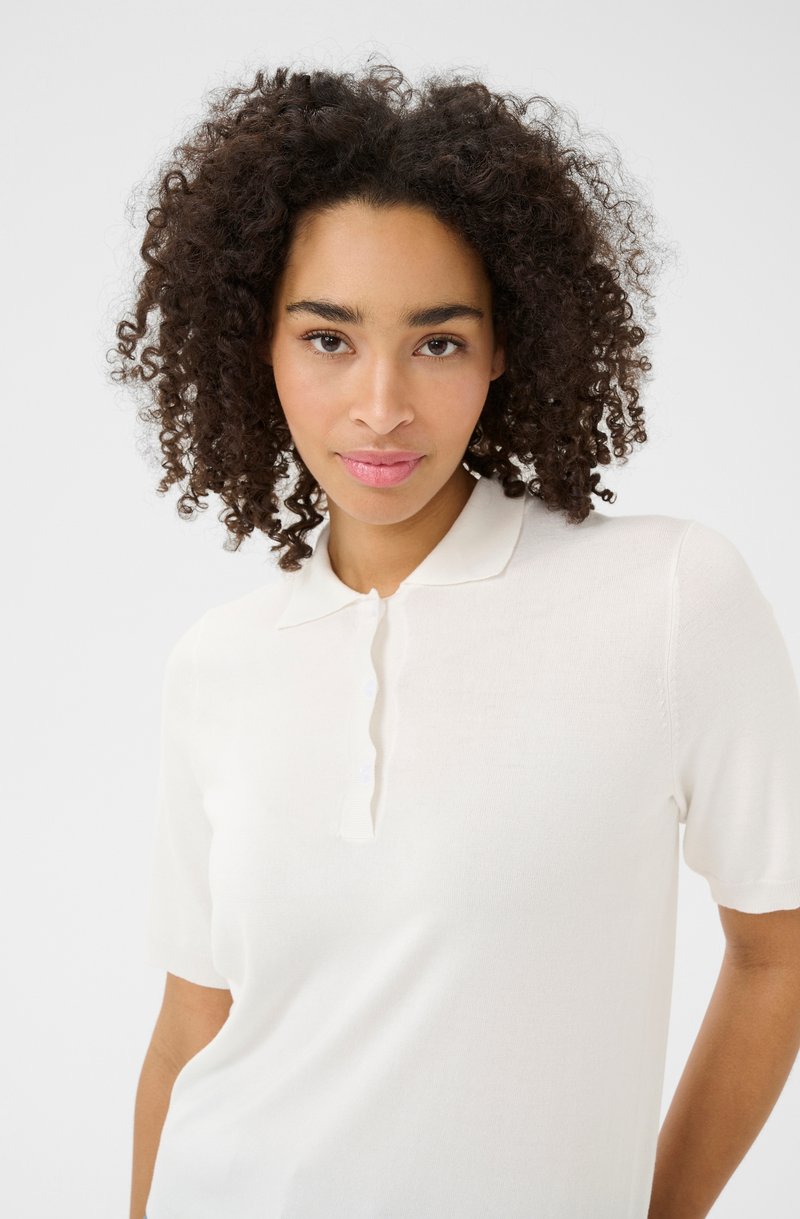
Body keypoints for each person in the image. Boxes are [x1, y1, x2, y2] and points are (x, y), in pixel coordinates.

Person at [109, 60, 800, 1219]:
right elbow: (190, 1026)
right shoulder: (218, 663)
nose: (380, 404)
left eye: (435, 342)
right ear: (257, 343)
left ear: (503, 344)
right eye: (328, 339)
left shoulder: (669, 595)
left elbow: (777, 953)